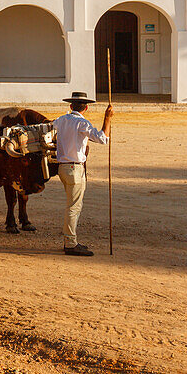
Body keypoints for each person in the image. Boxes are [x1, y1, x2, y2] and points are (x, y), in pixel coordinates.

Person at [53, 91, 113, 257]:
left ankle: (70, 240)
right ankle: (70, 243)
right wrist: (107, 119)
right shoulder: (82, 123)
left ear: (71, 106)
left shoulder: (61, 120)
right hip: (75, 168)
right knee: (74, 207)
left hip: (63, 167)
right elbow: (102, 138)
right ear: (86, 108)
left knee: (73, 204)